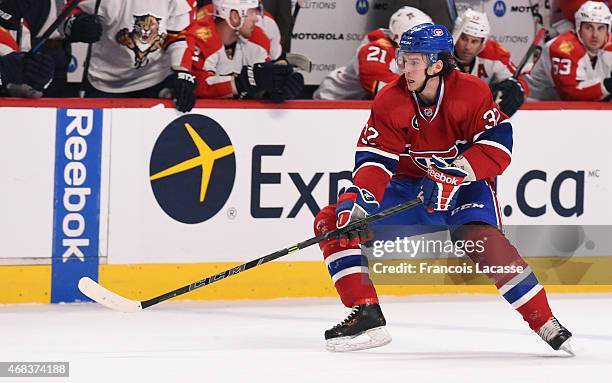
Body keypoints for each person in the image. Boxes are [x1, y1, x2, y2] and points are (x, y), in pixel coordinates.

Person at [312, 23, 574, 354]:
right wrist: (361, 200)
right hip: (409, 185)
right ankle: (366, 312)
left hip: (464, 186)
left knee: (480, 238)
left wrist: (456, 173)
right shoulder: (390, 100)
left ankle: (544, 321)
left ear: (437, 64)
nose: (405, 68)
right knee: (333, 223)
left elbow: (498, 147)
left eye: (414, 61)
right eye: (403, 59)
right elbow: (375, 161)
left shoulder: (471, 92)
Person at [73, 0, 197, 112]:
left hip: (156, 80)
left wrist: (182, 72)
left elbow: (180, 35)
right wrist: (74, 24)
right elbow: (73, 10)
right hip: (105, 81)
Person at [182, 0, 302, 100]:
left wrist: (276, 88)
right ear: (235, 16)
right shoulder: (198, 37)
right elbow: (194, 86)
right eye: (251, 12)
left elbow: (260, 79)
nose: (256, 19)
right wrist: (241, 83)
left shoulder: (258, 38)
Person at [313, 6, 432, 100]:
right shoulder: (375, 48)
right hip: (332, 101)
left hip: (361, 102)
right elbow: (376, 81)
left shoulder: (415, 52)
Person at [526, 1, 611, 101]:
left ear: (607, 31)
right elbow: (570, 94)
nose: (595, 35)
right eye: (589, 28)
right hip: (533, 105)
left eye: (601, 28)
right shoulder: (562, 48)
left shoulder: (608, 46)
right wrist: (608, 85)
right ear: (578, 29)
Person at [453, 9, 528, 116]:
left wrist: (513, 91)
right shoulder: (440, 54)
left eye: (474, 41)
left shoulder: (494, 54)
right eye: (464, 39)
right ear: (455, 36)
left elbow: (521, 82)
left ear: (483, 42)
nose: (467, 47)